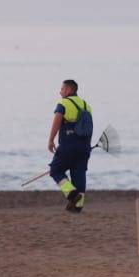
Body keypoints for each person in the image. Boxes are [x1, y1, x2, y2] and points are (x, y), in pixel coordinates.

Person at [47, 79, 92, 213]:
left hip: (68, 144)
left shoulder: (63, 103)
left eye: (62, 89)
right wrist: (87, 147)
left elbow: (57, 120)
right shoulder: (86, 106)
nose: (60, 91)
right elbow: (89, 128)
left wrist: (51, 140)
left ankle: (72, 195)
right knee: (79, 174)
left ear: (69, 90)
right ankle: (77, 207)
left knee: (55, 170)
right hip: (84, 146)